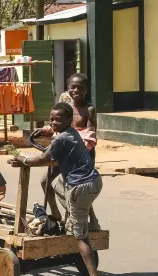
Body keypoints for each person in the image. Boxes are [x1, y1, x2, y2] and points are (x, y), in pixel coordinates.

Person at [12, 102, 104, 276]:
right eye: (51, 118)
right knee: (55, 184)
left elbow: (42, 159)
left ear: (69, 120)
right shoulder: (72, 133)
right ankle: (74, 218)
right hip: (93, 182)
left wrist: (24, 160)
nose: (53, 122)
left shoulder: (61, 138)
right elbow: (55, 158)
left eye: (58, 119)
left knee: (81, 236)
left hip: (80, 186)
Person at [37, 73, 100, 231]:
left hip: (82, 154)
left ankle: (92, 220)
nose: (76, 90)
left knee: (79, 187)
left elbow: (91, 133)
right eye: (73, 87)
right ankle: (56, 213)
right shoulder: (65, 105)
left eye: (80, 88)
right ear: (68, 88)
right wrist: (45, 130)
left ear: (86, 90)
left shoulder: (89, 109)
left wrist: (77, 146)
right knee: (45, 181)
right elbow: (55, 124)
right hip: (62, 151)